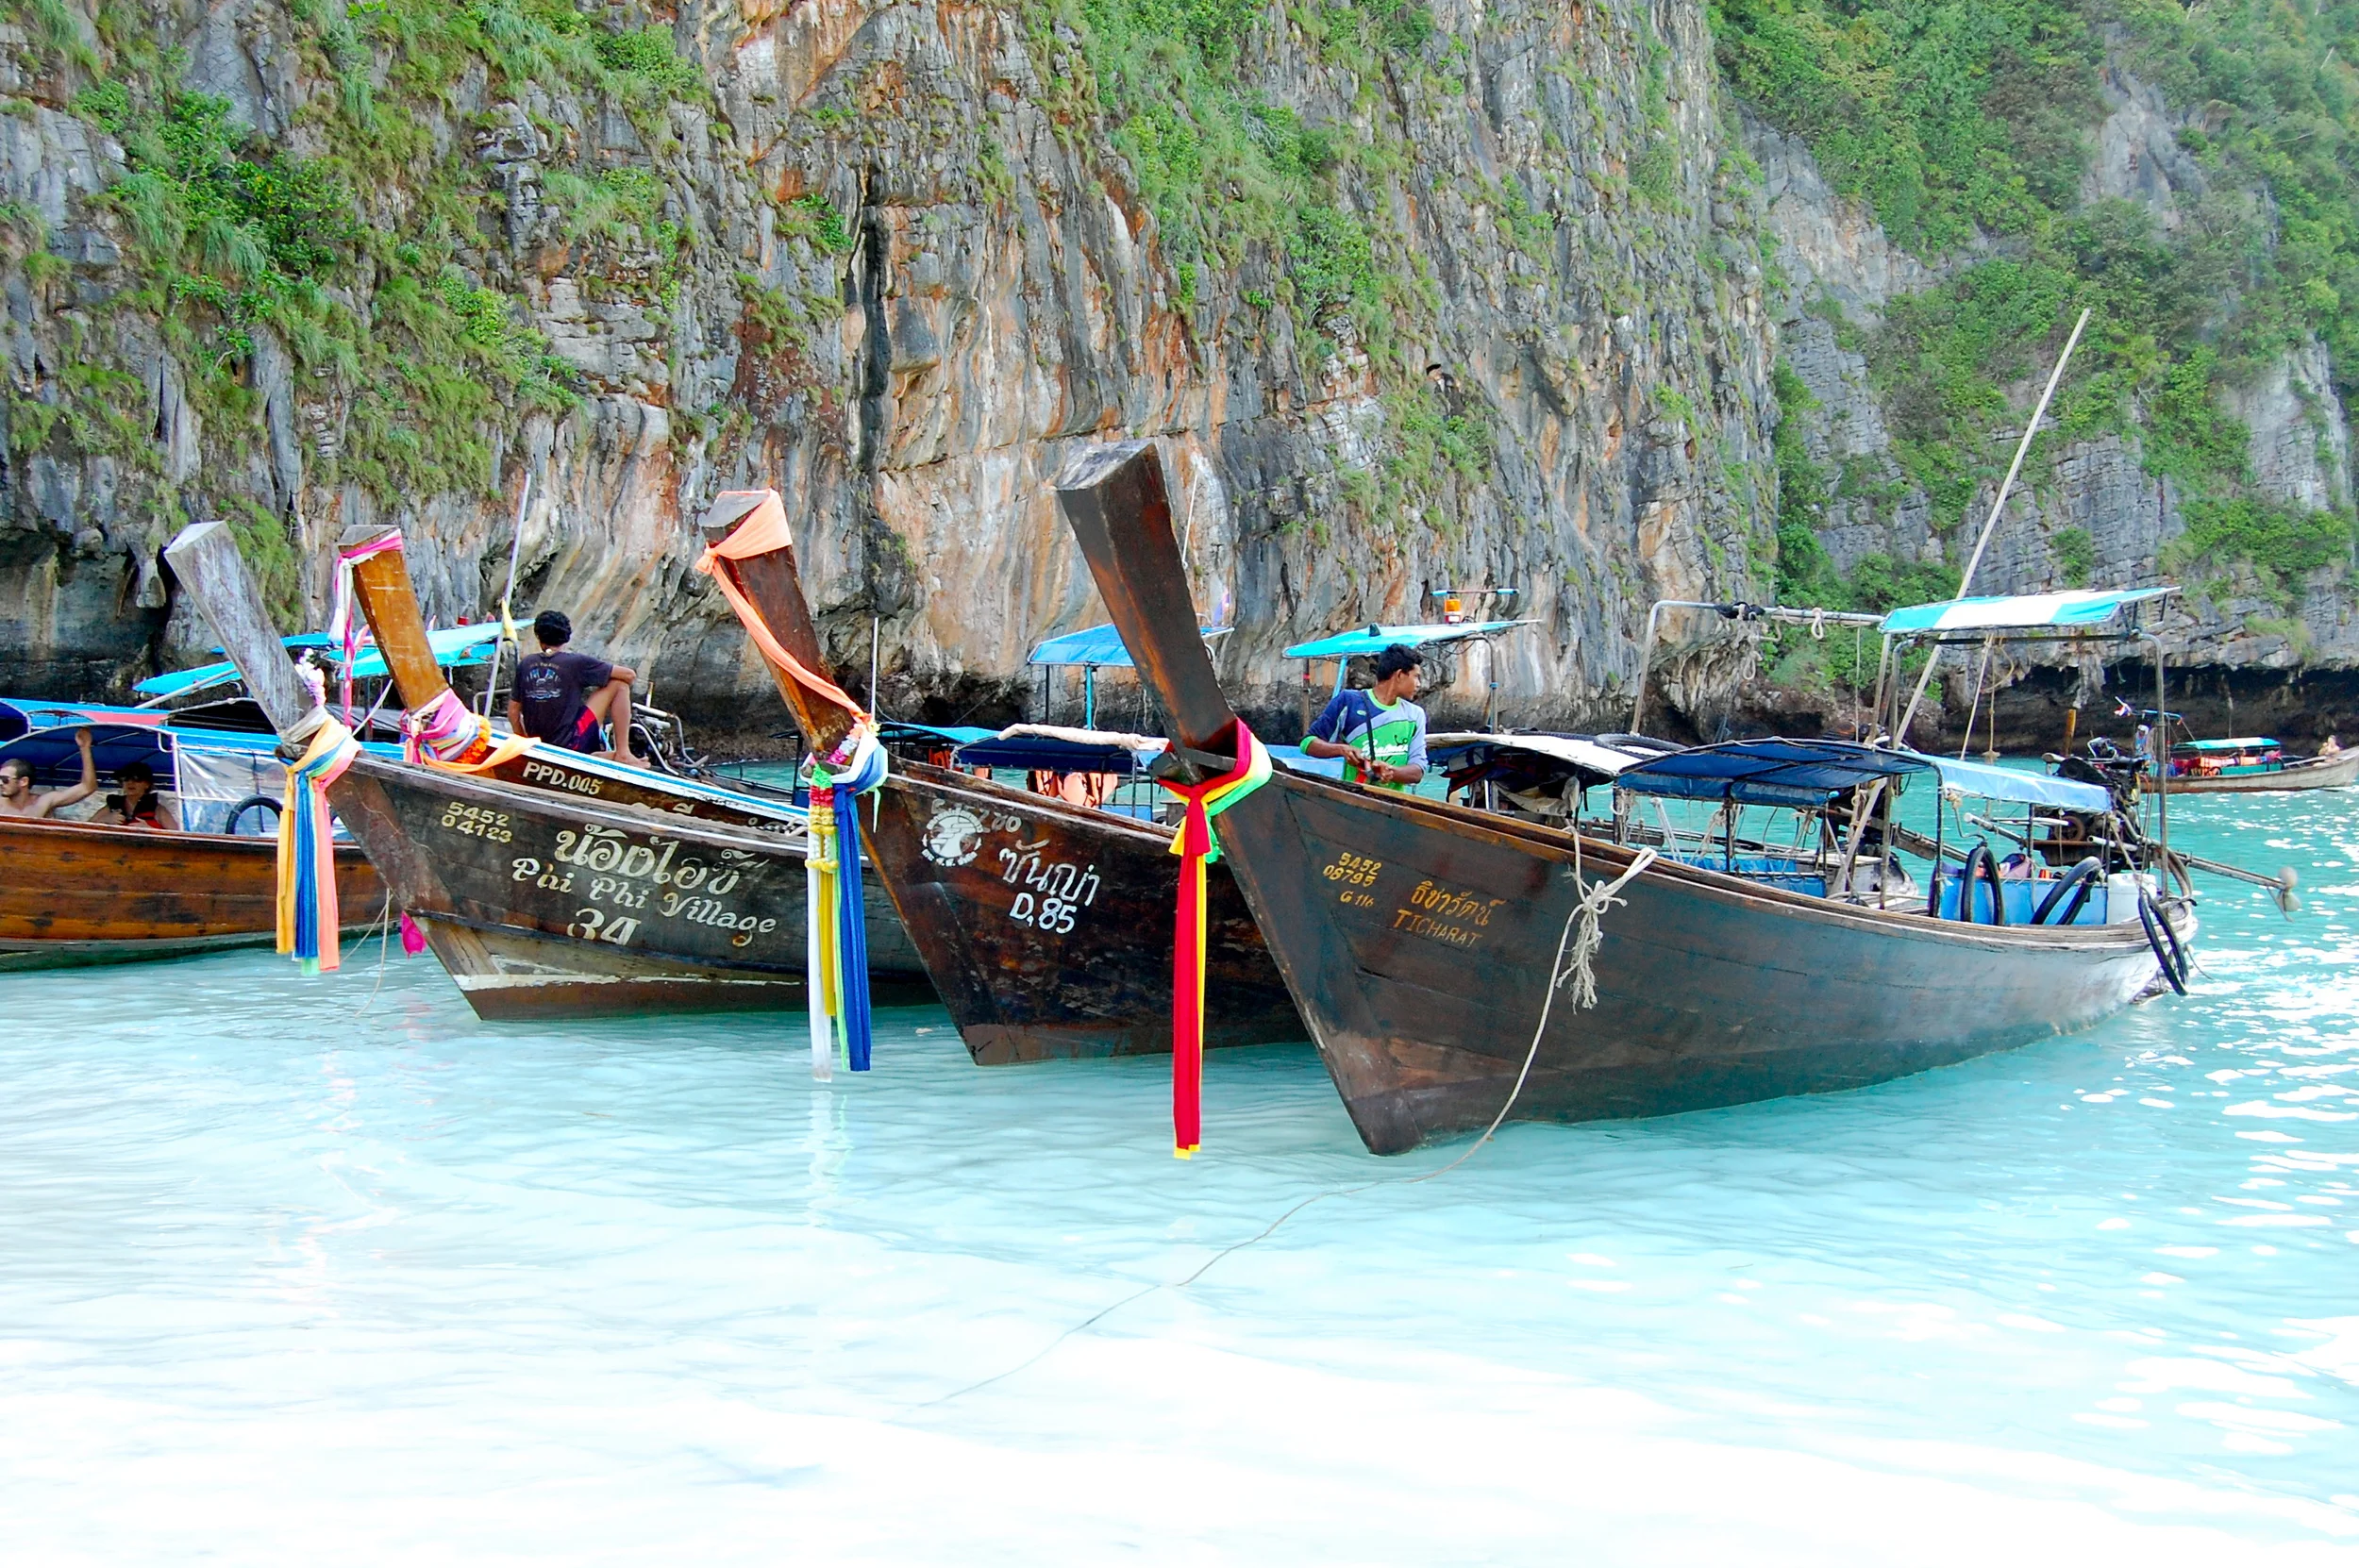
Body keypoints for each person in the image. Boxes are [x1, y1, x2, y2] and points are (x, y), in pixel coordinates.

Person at [508, 609, 641, 765]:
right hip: (572, 745)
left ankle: (606, 755)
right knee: (619, 684)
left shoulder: (526, 664)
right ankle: (623, 752)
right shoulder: (575, 663)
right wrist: (596, 678)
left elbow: (513, 712)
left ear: (538, 636)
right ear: (566, 637)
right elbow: (629, 675)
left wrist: (525, 742)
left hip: (538, 745)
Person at [1302, 643, 1429, 792]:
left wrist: (1390, 771)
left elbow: (1417, 771)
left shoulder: (1415, 715)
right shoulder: (1349, 701)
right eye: (1416, 677)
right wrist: (1342, 749)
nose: (1419, 684)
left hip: (1395, 805)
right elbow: (1307, 744)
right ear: (1400, 675)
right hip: (1353, 799)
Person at [0, 726, 97, 820]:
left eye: (5, 779)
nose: (0, 783)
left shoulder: (43, 802)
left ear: (24, 781)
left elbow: (87, 787)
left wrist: (85, 747)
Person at [90, 759, 178, 830]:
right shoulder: (112, 806)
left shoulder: (158, 809)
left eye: (137, 780)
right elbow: (85, 827)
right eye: (126, 779)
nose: (130, 783)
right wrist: (104, 820)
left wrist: (150, 830)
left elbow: (177, 835)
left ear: (147, 784)